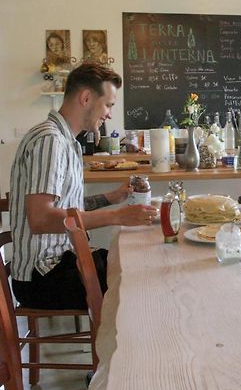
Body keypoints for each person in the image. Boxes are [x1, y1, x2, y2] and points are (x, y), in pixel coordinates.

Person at [9, 63, 158, 310]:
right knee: (139, 283)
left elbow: (66, 209)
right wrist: (116, 216)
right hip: (43, 276)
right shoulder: (50, 141)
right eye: (108, 105)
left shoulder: (68, 142)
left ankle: (122, 345)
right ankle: (124, 347)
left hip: (63, 262)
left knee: (137, 264)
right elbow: (41, 218)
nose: (109, 114)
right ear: (86, 98)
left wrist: (112, 197)